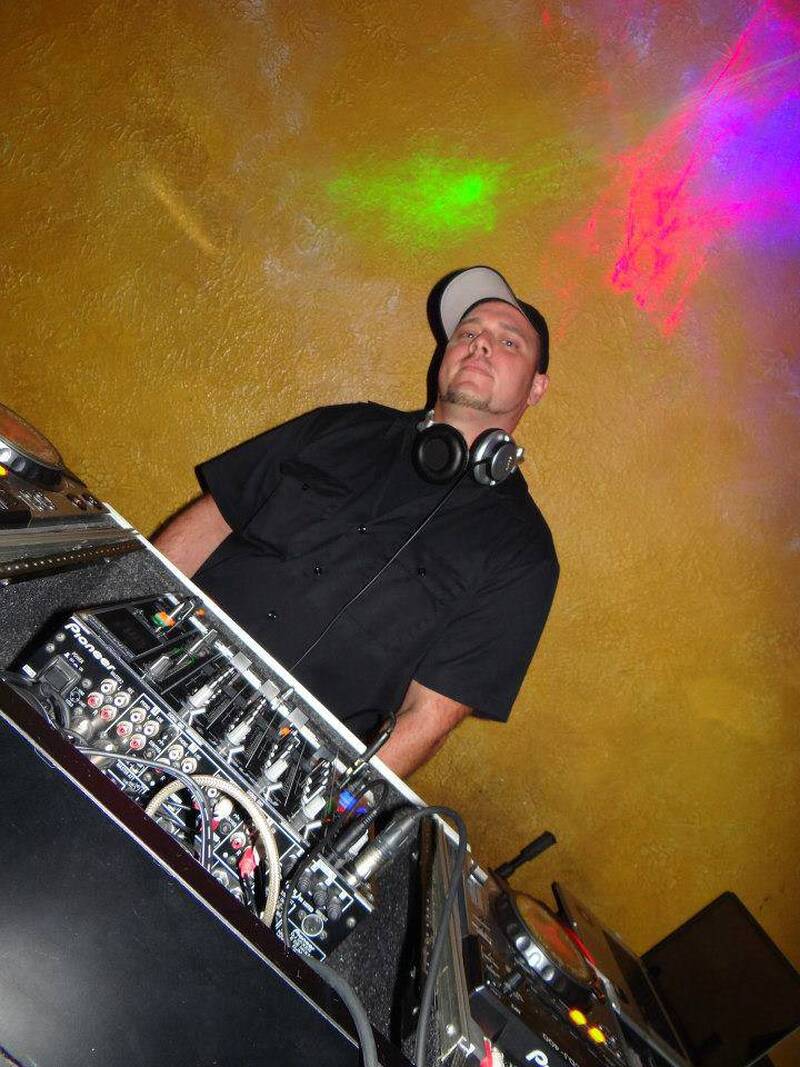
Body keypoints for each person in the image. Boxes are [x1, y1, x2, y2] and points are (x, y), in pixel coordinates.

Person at [153, 266, 558, 778]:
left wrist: (329, 805)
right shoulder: (342, 425)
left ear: (537, 387)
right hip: (165, 666)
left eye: (509, 342)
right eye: (468, 332)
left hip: (272, 775)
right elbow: (209, 524)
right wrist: (130, 630)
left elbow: (426, 719)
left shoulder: (523, 554)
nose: (479, 345)